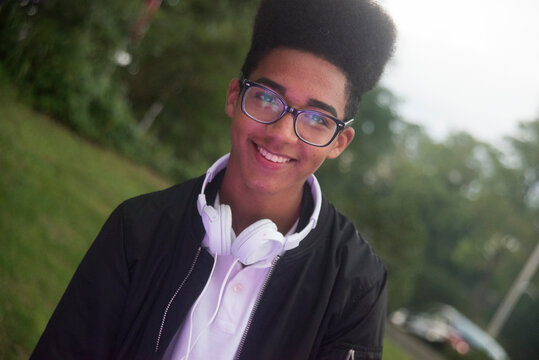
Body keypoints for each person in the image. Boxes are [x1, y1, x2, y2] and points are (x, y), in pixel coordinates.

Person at [31, 0, 396, 359]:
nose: (283, 134)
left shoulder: (356, 285)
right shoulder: (137, 228)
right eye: (267, 97)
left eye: (318, 119)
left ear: (339, 142)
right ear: (234, 96)